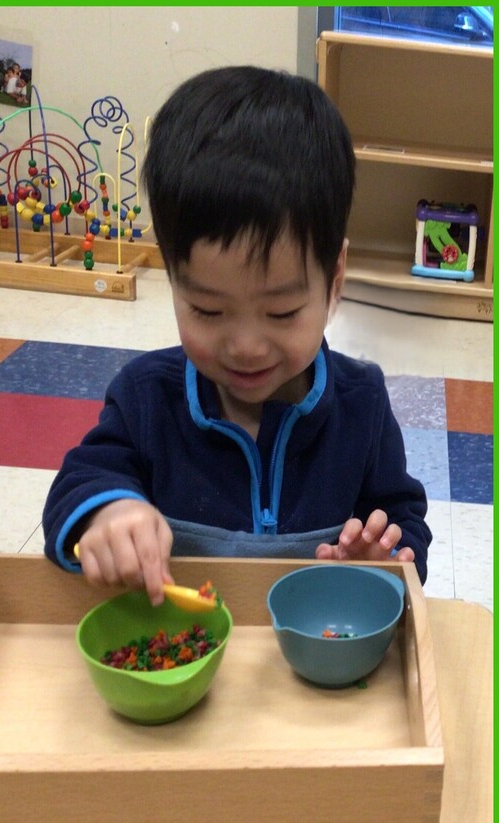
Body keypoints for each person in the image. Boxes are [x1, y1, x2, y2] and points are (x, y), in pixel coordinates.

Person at [42, 65, 432, 605]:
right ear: (173, 278)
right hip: (179, 662)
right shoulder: (146, 396)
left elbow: (404, 517)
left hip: (317, 662)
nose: (246, 346)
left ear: (334, 280)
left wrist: (384, 561)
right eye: (207, 309)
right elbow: (78, 485)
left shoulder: (360, 406)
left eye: (281, 313)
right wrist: (108, 512)